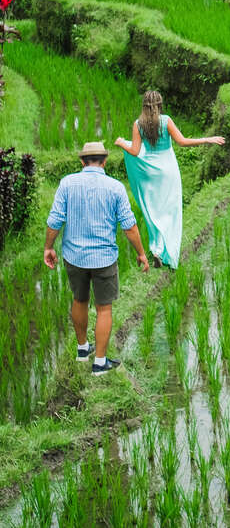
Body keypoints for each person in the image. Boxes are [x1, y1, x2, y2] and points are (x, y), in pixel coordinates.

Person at [44, 141, 149, 375]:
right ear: (105, 161)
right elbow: (129, 226)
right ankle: (99, 363)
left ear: (82, 161)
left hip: (75, 256)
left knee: (79, 300)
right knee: (104, 309)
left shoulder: (67, 183)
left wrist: (48, 247)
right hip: (103, 259)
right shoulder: (115, 187)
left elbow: (54, 220)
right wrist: (141, 253)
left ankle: (83, 350)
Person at [115, 90, 225, 270]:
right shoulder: (166, 121)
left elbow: (134, 151)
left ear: (144, 105)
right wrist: (207, 139)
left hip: (149, 171)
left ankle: (156, 250)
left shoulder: (138, 124)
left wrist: (121, 143)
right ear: (159, 105)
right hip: (167, 169)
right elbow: (182, 142)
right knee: (170, 210)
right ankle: (167, 251)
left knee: (153, 210)